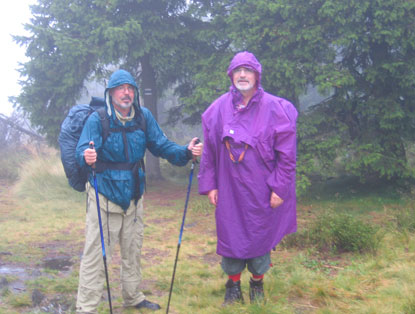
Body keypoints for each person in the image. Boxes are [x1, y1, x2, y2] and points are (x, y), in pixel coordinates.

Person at [75, 69, 203, 313]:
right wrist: (86, 156)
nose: (127, 92)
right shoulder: (98, 120)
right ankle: (86, 307)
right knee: (96, 255)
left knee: (133, 251)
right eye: (121, 88)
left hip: (134, 196)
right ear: (110, 93)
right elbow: (81, 151)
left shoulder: (143, 117)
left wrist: (185, 152)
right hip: (104, 195)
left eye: (130, 88)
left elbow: (161, 146)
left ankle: (133, 297)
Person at [198, 51, 297, 305]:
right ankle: (232, 287)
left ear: (257, 75)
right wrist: (210, 185)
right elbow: (209, 150)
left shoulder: (275, 108)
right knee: (230, 236)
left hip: (261, 189)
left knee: (259, 237)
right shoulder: (218, 108)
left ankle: (257, 284)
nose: (242, 75)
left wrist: (280, 188)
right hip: (229, 189)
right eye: (238, 70)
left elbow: (286, 155)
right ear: (231, 75)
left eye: (248, 70)